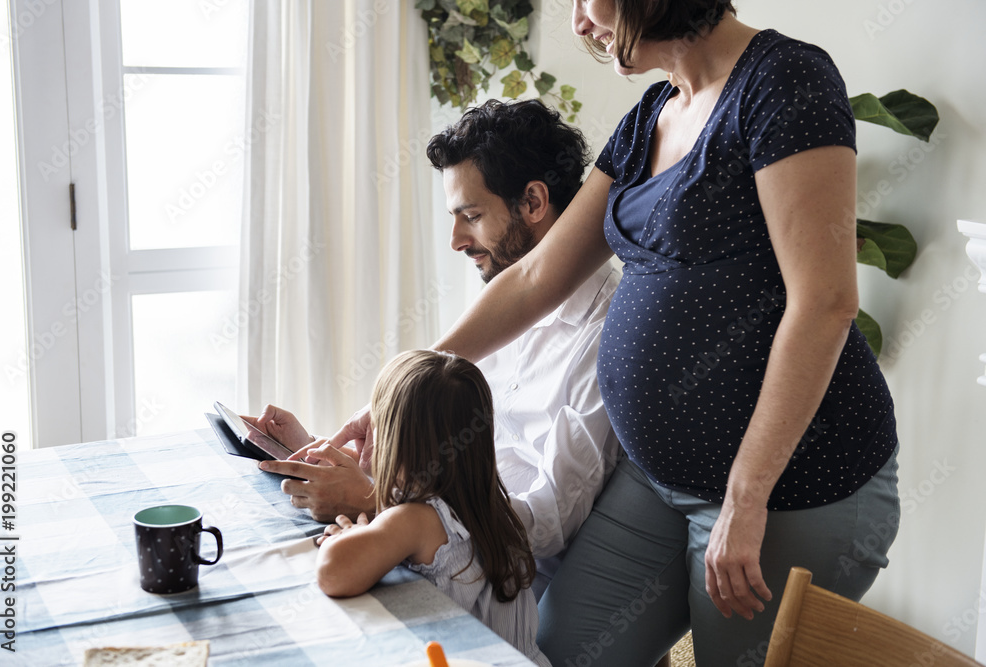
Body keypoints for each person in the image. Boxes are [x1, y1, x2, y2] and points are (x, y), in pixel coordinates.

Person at [324, 2, 901, 665]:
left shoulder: (784, 82)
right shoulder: (652, 114)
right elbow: (538, 273)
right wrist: (403, 387)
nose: (577, 22)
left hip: (791, 487)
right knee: (552, 652)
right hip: (657, 479)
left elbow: (825, 301)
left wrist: (746, 497)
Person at [254, 99, 622, 596]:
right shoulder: (496, 308)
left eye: (471, 215)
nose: (455, 240)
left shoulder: (603, 334)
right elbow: (448, 466)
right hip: (432, 544)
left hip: (501, 584)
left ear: (534, 203)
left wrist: (383, 504)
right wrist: (336, 461)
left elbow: (547, 525)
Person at [315, 349, 551, 667]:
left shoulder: (418, 519)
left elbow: (332, 572)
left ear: (393, 444)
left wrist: (357, 536)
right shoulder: (496, 509)